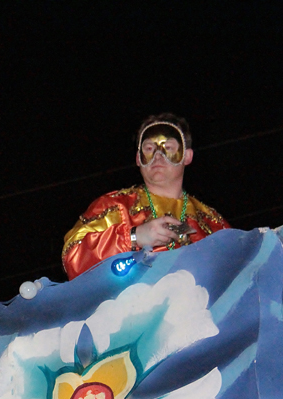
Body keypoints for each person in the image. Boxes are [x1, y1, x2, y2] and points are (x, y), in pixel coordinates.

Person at [62, 113, 230, 280]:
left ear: (187, 156)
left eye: (168, 148)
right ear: (138, 158)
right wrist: (134, 237)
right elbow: (73, 256)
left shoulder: (213, 223)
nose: (158, 155)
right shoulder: (114, 206)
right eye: (149, 149)